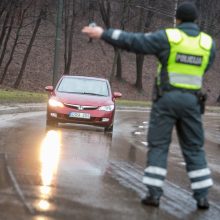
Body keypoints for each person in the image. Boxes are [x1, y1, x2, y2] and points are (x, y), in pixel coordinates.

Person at [82, 2, 216, 209]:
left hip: (167, 100)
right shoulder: (208, 43)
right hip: (192, 102)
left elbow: (134, 42)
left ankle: (154, 194)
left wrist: (103, 33)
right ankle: (202, 197)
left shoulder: (169, 38)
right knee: (194, 148)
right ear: (196, 20)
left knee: (159, 145)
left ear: (177, 20)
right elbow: (205, 67)